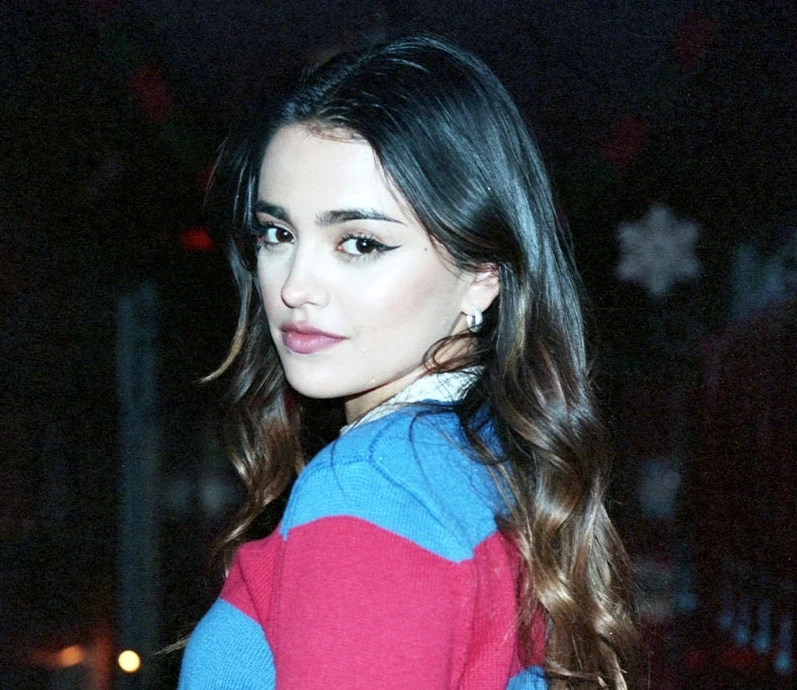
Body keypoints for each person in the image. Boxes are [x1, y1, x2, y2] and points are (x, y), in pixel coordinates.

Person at [178, 34, 638, 690]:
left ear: (482, 274)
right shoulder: (481, 463)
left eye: (360, 243)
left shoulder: (371, 485)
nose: (294, 286)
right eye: (277, 234)